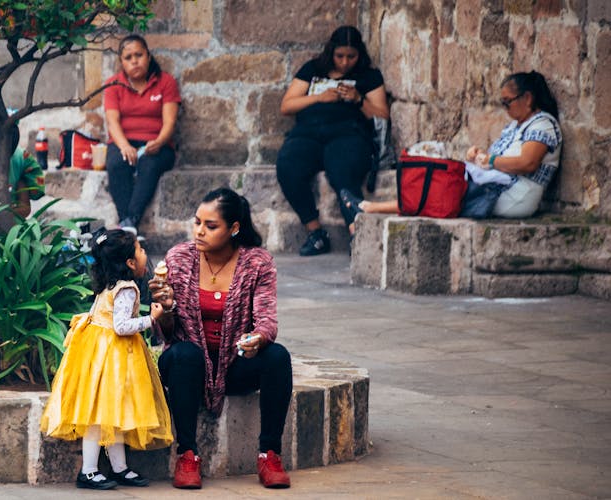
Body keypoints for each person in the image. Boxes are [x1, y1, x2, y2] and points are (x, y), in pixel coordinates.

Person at [148, 187, 293, 490]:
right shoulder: (179, 258)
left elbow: (266, 319)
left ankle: (269, 454)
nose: (199, 232)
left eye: (210, 226)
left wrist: (258, 339)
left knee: (278, 357)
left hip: (234, 365)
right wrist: (165, 309)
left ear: (234, 228)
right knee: (184, 355)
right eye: (197, 222)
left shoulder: (257, 263)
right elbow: (166, 334)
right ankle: (187, 454)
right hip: (189, 368)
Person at [40, 229, 173, 490]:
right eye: (141, 251)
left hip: (97, 352)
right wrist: (152, 319)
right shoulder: (126, 289)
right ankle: (88, 471)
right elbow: (121, 326)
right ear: (130, 263)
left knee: (114, 414)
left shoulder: (110, 283)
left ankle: (119, 467)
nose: (145, 255)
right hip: (111, 357)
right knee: (99, 417)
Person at [345, 71, 563, 219]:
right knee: (440, 181)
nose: (505, 108)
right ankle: (368, 208)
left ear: (527, 98)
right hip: (500, 186)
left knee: (442, 191)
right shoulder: (517, 126)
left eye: (508, 102)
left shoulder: (542, 125)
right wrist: (479, 156)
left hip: (515, 196)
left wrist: (490, 160)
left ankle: (369, 208)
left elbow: (528, 163)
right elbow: (500, 161)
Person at [276, 25, 389, 256]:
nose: (345, 62)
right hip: (309, 133)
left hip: (348, 134)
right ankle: (315, 232)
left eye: (351, 57)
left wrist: (358, 100)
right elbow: (287, 106)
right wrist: (319, 97)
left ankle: (356, 232)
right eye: (340, 56)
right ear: (331, 52)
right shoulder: (313, 69)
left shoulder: (368, 76)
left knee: (343, 171)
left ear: (360, 54)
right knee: (288, 166)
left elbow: (383, 115)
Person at [103, 34, 181, 238]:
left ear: (148, 56)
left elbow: (170, 122)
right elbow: (112, 122)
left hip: (158, 144)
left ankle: (130, 221)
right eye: (128, 57)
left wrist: (160, 141)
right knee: (116, 164)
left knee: (149, 164)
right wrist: (124, 146)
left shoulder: (166, 82)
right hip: (123, 141)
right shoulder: (113, 85)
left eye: (139, 55)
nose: (134, 61)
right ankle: (127, 223)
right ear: (121, 62)